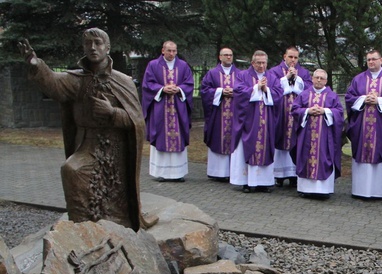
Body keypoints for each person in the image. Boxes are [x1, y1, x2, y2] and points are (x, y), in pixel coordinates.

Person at [18, 29, 154, 230]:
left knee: (115, 194)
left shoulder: (122, 81)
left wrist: (112, 112)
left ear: (107, 48)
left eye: (97, 43)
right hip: (88, 144)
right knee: (71, 170)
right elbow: (54, 83)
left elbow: (137, 122)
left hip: (116, 148)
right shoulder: (77, 79)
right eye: (88, 43)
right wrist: (35, 63)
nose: (92, 47)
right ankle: (81, 228)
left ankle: (117, 223)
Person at [345, 50, 382, 199]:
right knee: (362, 158)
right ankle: (359, 191)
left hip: (381, 128)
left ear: (381, 60)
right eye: (369, 59)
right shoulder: (358, 79)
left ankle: (379, 192)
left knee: (380, 158)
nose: (371, 62)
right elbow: (349, 98)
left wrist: (379, 101)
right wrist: (363, 99)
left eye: (374, 59)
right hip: (362, 128)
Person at [231, 50, 283, 193]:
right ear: (252, 63)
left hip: (266, 121)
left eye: (264, 63)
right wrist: (256, 88)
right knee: (248, 148)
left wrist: (267, 90)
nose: (261, 66)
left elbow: (279, 94)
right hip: (249, 120)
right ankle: (247, 182)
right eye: (258, 63)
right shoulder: (242, 75)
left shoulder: (272, 77)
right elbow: (238, 92)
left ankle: (264, 182)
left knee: (265, 148)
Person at [141, 41, 193, 182]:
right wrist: (162, 89)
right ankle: (161, 173)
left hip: (177, 108)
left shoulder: (183, 65)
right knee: (161, 136)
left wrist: (179, 89)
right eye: (169, 50)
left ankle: (178, 173)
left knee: (178, 136)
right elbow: (147, 85)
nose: (172, 54)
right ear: (162, 50)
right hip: (160, 108)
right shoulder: (153, 65)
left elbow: (189, 84)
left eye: (174, 51)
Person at [291, 69, 344, 199]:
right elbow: (295, 109)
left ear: (326, 81)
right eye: (316, 78)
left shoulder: (332, 96)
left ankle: (323, 191)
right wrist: (308, 111)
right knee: (306, 157)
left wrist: (325, 111)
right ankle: (305, 189)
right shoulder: (304, 94)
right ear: (312, 79)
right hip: (306, 136)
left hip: (325, 137)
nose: (319, 80)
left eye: (321, 78)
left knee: (324, 158)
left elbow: (339, 112)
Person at [268, 46, 312, 187]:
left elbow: (310, 90)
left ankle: (294, 174)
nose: (293, 60)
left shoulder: (304, 72)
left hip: (296, 115)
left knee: (296, 141)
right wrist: (286, 78)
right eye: (290, 57)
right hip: (281, 112)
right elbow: (271, 88)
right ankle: (279, 175)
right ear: (284, 56)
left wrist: (297, 78)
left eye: (296, 57)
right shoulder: (274, 71)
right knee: (280, 140)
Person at [200, 47, 241, 182]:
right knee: (218, 137)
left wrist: (235, 92)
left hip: (234, 115)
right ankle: (216, 172)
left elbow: (246, 90)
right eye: (226, 55)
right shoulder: (212, 73)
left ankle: (232, 172)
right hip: (218, 114)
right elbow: (205, 91)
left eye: (230, 55)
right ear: (220, 57)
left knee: (234, 140)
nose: (229, 57)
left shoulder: (240, 74)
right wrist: (220, 92)